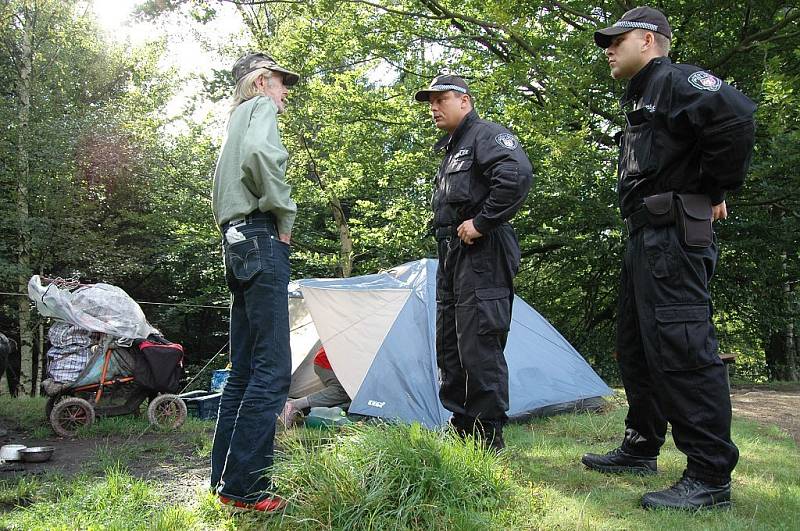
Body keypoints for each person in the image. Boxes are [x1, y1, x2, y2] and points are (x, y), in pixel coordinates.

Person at [583, 7, 756, 510]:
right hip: (646, 238)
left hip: (675, 235)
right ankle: (641, 445)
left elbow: (735, 116)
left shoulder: (679, 80)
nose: (608, 50)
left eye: (616, 41)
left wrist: (716, 186)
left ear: (648, 39)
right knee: (637, 347)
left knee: (683, 348)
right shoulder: (642, 93)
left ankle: (708, 475)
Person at [414, 74, 533, 452]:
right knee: (451, 341)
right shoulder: (452, 147)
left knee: (480, 342)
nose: (434, 107)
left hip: (482, 253)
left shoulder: (485, 135)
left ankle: (486, 434)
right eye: (430, 102)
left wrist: (482, 222)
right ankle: (461, 424)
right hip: (452, 254)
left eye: (441, 99)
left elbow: (516, 176)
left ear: (465, 100)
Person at [209, 52, 300, 513]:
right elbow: (264, 156)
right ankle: (246, 488)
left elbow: (221, 189)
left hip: (234, 242)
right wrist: (283, 216)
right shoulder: (260, 110)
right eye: (283, 83)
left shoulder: (233, 121)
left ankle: (225, 480)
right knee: (272, 370)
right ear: (262, 82)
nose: (286, 92)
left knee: (243, 371)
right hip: (261, 238)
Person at [279, 346, 350, 426]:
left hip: (337, 362)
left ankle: (292, 405)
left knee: (351, 393)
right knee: (345, 390)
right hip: (328, 363)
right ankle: (293, 405)